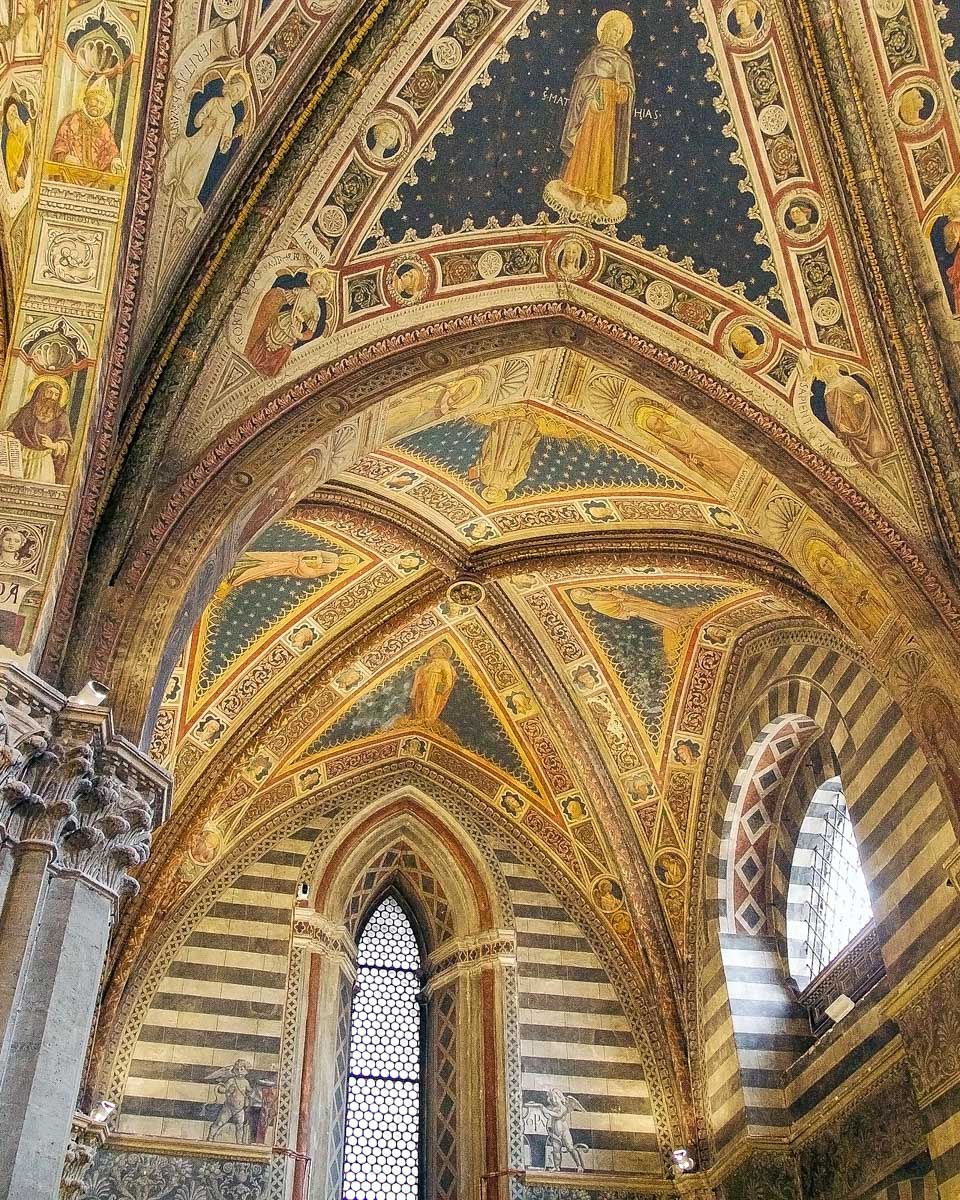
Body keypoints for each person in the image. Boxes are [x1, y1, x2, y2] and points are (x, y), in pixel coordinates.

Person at [544, 10, 634, 224]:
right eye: (613, 30)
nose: (615, 35)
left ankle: (599, 196)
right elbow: (583, 83)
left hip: (609, 116)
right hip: (591, 111)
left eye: (619, 33)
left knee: (603, 150)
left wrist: (622, 92)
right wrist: (591, 96)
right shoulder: (594, 56)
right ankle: (580, 193)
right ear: (605, 32)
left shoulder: (623, 60)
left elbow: (627, 91)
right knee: (586, 146)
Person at [163, 69, 249, 229]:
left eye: (240, 92)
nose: (236, 93)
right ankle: (172, 186)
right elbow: (197, 119)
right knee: (182, 147)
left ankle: (183, 200)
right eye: (236, 87)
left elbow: (224, 144)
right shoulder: (214, 102)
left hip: (208, 151)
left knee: (194, 175)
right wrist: (205, 121)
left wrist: (227, 143)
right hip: (198, 139)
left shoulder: (231, 117)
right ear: (229, 85)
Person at [805, 355, 892, 471]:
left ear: (835, 367)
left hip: (862, 417)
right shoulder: (828, 392)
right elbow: (832, 414)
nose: (828, 372)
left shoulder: (847, 380)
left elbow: (864, 394)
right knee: (854, 443)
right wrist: (839, 424)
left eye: (829, 368)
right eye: (824, 371)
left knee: (877, 444)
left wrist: (861, 398)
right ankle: (869, 460)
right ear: (822, 376)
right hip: (847, 423)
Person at [244, 269, 333, 377]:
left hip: (293, 329)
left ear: (323, 292)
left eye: (322, 287)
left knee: (282, 350)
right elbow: (285, 297)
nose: (319, 286)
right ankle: (252, 360)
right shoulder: (300, 291)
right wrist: (278, 294)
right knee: (266, 339)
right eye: (319, 282)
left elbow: (310, 332)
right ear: (312, 279)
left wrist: (299, 335)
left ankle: (264, 373)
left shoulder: (316, 309)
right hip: (283, 320)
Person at [50, 75, 122, 177]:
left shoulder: (104, 127)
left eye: (102, 103)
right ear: (86, 100)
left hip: (96, 178)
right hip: (70, 174)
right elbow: (60, 143)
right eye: (95, 100)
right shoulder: (72, 120)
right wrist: (65, 157)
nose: (98, 105)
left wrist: (115, 160)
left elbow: (110, 148)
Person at [4, 376, 72, 483]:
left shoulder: (61, 417)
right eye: (49, 392)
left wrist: (53, 445)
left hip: (43, 461)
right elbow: (15, 431)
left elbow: (66, 443)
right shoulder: (26, 412)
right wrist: (11, 435)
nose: (52, 397)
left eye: (56, 395)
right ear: (40, 393)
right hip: (21, 458)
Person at [2, 96, 29, 191]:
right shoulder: (11, 139)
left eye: (14, 111)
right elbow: (10, 166)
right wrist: (16, 179)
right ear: (8, 121)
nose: (13, 115)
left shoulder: (25, 130)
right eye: (10, 114)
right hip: (21, 175)